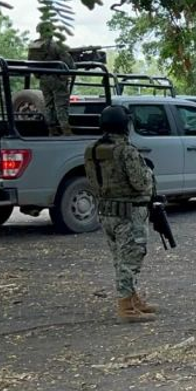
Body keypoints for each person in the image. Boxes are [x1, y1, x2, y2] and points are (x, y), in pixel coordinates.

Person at [84, 106, 157, 322]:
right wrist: (149, 171)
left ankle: (133, 299)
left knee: (120, 258)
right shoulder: (126, 151)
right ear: (124, 124)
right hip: (128, 213)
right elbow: (140, 182)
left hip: (106, 212)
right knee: (131, 258)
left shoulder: (93, 150)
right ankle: (125, 306)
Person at [27, 34, 75, 136]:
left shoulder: (34, 46)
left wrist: (39, 75)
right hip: (57, 79)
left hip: (43, 79)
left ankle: (52, 129)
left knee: (48, 104)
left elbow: (30, 63)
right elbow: (69, 64)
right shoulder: (57, 45)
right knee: (61, 104)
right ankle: (66, 130)